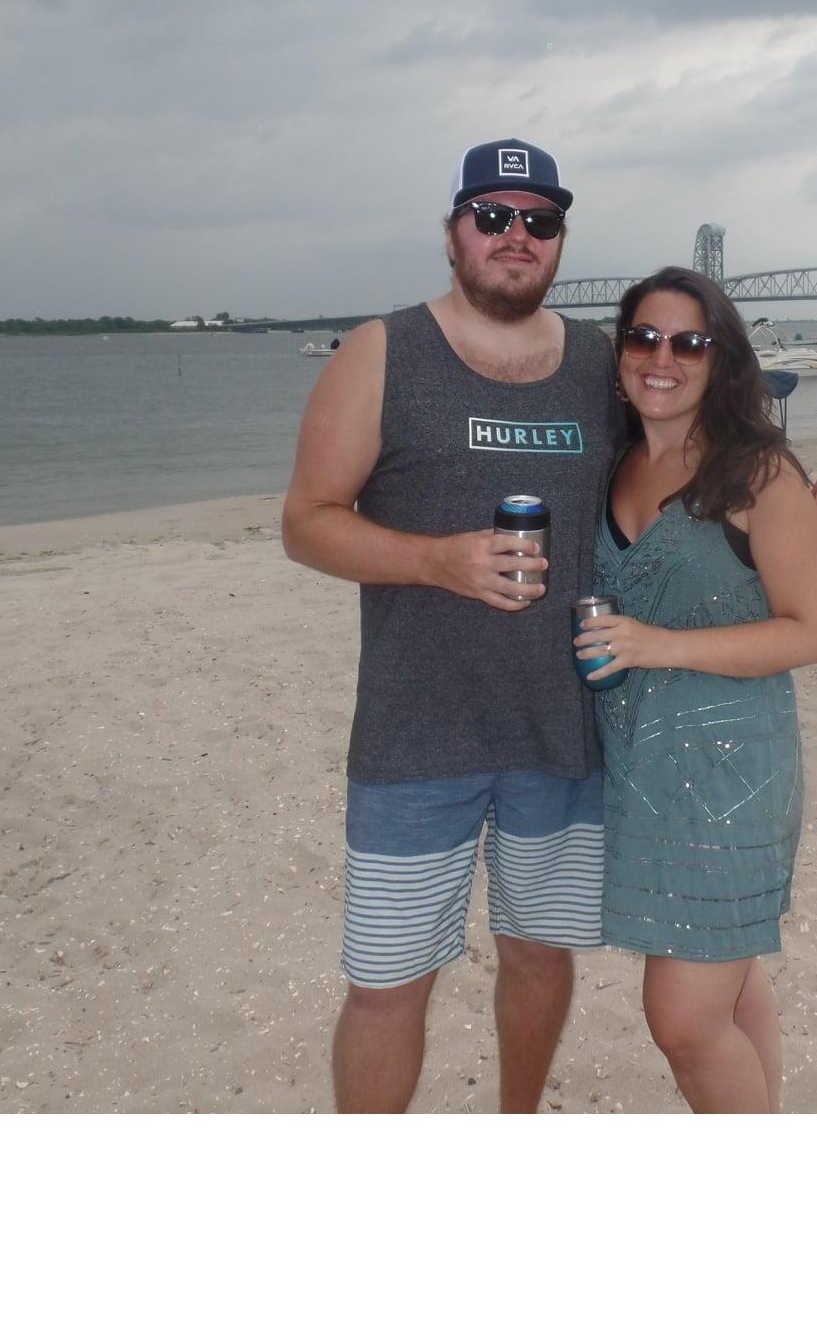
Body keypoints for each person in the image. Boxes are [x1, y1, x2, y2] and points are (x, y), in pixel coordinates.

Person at [282, 138, 618, 1113]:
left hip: (563, 731)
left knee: (541, 958)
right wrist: (436, 560)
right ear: (453, 233)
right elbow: (307, 523)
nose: (517, 236)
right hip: (415, 733)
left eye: (540, 221)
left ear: (558, 241)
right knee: (387, 984)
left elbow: (663, 496)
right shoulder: (383, 352)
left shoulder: (599, 364)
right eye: (494, 216)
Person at [573, 267, 817, 1113]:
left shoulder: (756, 474)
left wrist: (660, 644)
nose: (663, 358)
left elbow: (812, 629)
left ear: (721, 362)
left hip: (732, 776)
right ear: (620, 353)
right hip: (639, 772)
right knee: (732, 983)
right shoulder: (610, 464)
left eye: (689, 342)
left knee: (684, 1018)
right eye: (643, 338)